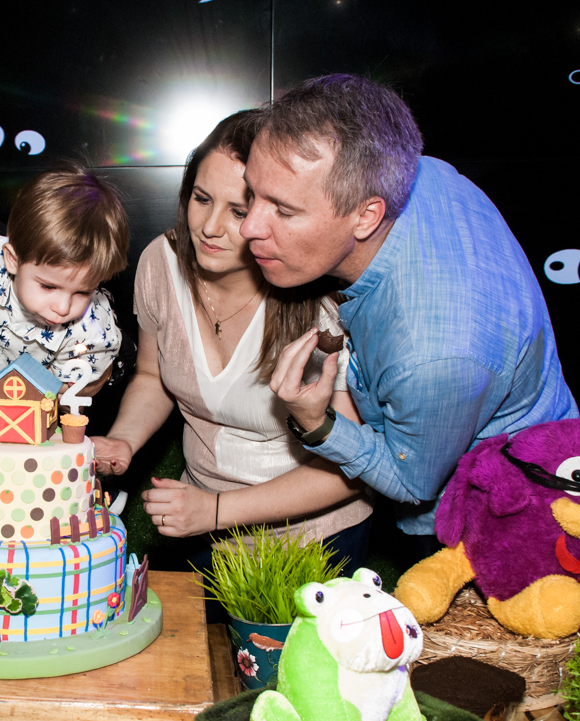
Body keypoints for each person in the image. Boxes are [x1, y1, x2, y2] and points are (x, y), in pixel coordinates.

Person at [241, 75, 578, 560]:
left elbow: (412, 482)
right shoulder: (423, 171)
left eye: (284, 211)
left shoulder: (433, 353)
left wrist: (318, 423)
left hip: (512, 520)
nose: (250, 226)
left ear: (367, 215)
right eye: (253, 194)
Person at [93, 110, 373, 573]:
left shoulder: (321, 302)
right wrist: (124, 440)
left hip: (316, 539)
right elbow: (151, 374)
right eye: (201, 199)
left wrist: (217, 509)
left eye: (238, 211)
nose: (209, 227)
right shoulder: (160, 262)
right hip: (201, 527)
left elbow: (353, 465)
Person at [0, 167, 129, 388]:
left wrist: (0, 383)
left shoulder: (89, 331)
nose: (63, 308)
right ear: (12, 260)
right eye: (48, 287)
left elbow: (63, 392)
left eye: (82, 291)